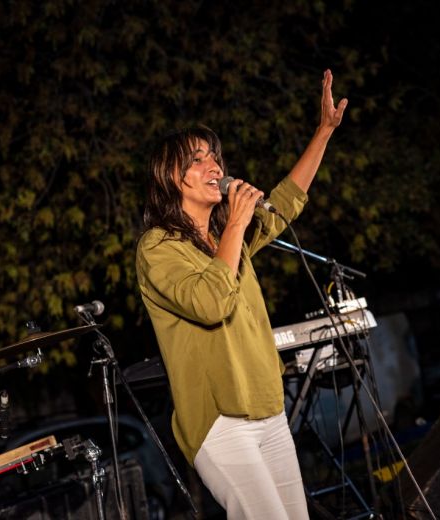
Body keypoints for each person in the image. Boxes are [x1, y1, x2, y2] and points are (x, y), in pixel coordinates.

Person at [135, 70, 347, 519]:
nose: (217, 167)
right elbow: (211, 304)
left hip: (268, 410)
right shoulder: (157, 248)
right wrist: (235, 222)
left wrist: (323, 132)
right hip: (219, 423)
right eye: (199, 160)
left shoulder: (227, 238)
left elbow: (287, 200)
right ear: (171, 176)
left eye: (217, 158)